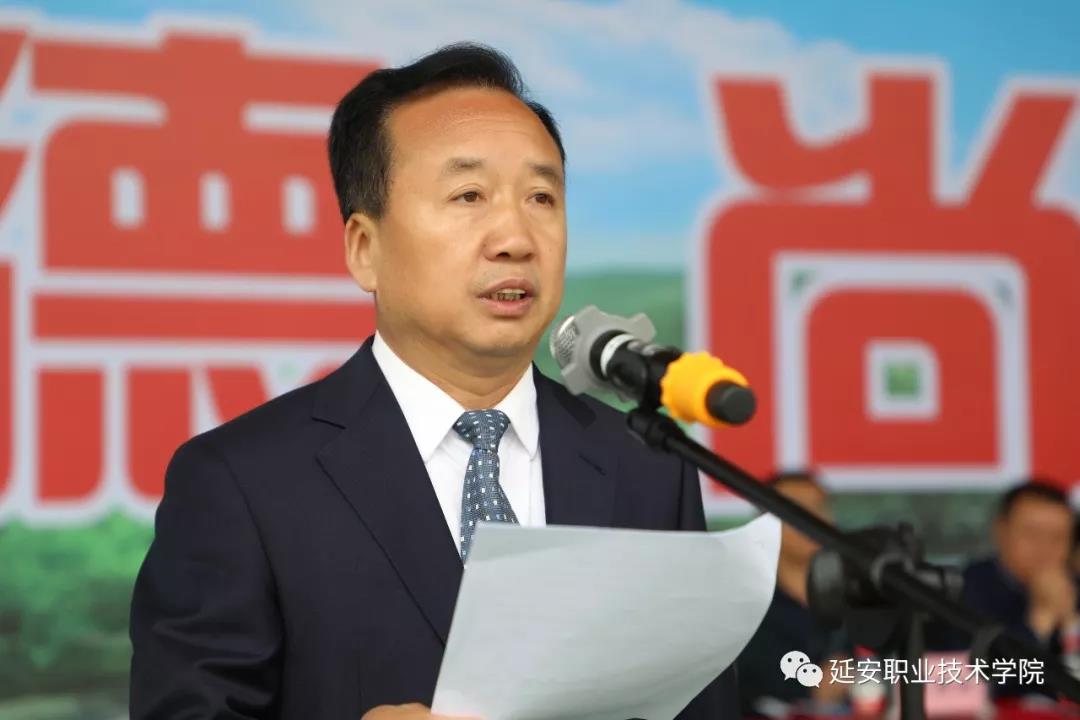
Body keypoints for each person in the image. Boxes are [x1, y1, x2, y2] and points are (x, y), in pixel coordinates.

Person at [128, 44, 737, 720]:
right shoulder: (242, 483)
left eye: (541, 197)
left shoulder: (648, 467)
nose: (515, 238)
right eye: (468, 195)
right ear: (365, 249)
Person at [737, 471, 852, 718]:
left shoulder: (860, 597)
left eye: (819, 508)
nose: (812, 520)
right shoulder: (741, 609)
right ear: (763, 521)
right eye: (797, 510)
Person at [960, 480, 1079, 702]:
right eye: (1032, 534)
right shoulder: (966, 588)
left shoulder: (1074, 587)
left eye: (1057, 538)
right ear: (1000, 531)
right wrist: (1040, 620)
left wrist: (1072, 624)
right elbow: (969, 682)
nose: (1044, 548)